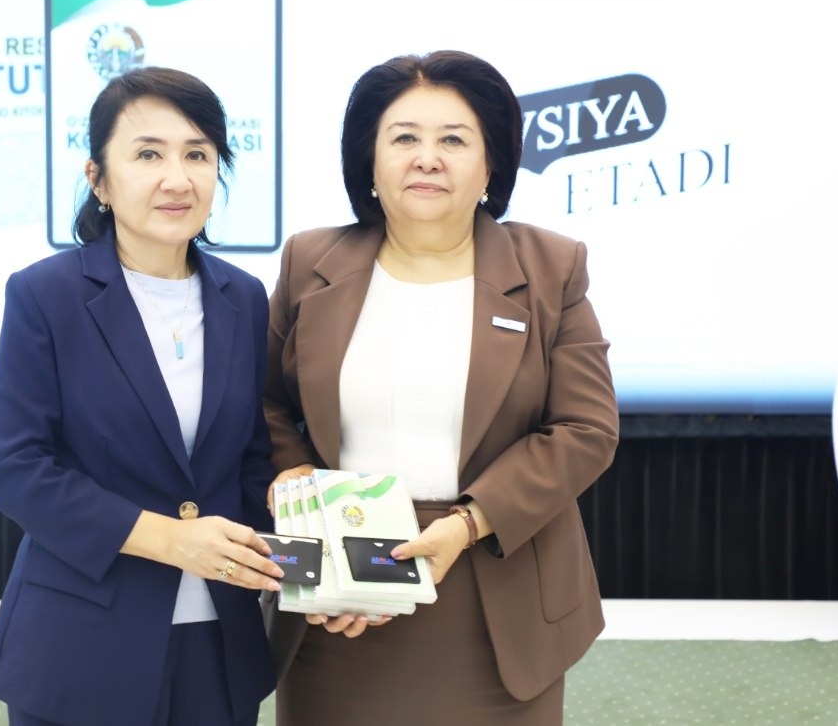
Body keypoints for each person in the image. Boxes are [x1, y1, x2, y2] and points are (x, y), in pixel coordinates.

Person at [263, 50, 619, 725]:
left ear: (491, 166)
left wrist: (467, 523)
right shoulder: (309, 262)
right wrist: (294, 472)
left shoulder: (551, 268)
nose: (427, 159)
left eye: (453, 140)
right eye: (404, 138)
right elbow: (265, 402)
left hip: (495, 587)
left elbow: (586, 429)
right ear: (369, 161)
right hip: (340, 588)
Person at [0, 66, 282, 726]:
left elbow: (252, 461)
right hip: (82, 639)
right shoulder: (45, 295)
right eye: (148, 155)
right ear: (99, 179)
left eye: (197, 155)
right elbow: (17, 469)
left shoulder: (245, 297)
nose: (178, 178)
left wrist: (321, 566)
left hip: (219, 641)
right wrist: (172, 540)